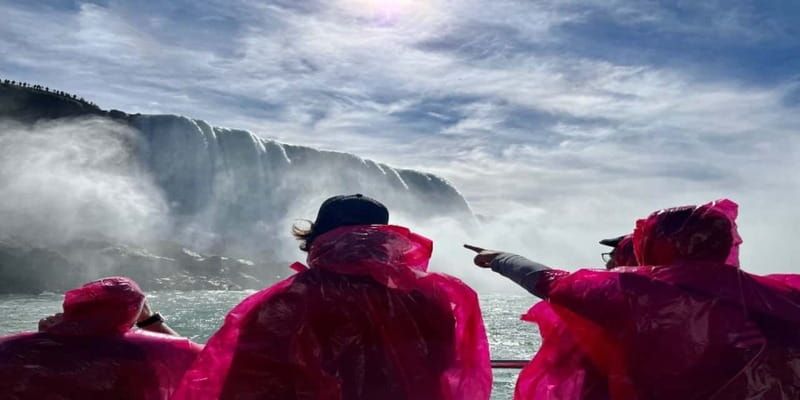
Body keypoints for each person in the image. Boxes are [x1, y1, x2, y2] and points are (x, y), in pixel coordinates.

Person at [467, 199, 800, 399]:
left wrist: (499, 258)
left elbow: (552, 283)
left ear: (661, 246)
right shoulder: (780, 294)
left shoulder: (642, 293)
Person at [174, 194, 491, 400]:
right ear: (386, 237)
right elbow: (448, 372)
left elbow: (244, 388)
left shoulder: (285, 303)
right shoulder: (431, 297)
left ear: (315, 238)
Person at [0, 277, 202, 400]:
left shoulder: (13, 349)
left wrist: (45, 338)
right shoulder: (143, 350)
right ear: (132, 313)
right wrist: (150, 321)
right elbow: (208, 366)